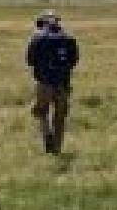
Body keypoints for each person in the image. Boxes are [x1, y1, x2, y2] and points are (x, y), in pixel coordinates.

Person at [26, 10, 79, 154]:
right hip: (63, 83)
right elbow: (74, 61)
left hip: (44, 82)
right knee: (60, 116)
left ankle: (47, 134)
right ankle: (57, 148)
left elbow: (30, 61)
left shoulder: (37, 38)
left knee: (41, 111)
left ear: (42, 23)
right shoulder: (69, 39)